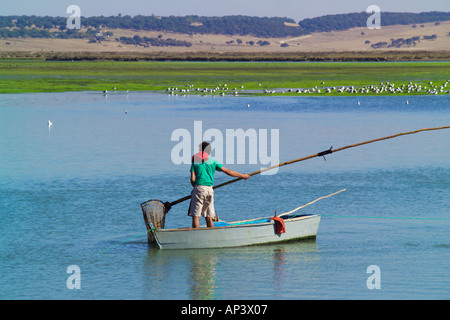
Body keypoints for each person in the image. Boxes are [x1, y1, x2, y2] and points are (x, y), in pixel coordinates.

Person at [189, 141, 250, 228]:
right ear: (209, 151)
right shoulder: (213, 162)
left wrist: (195, 188)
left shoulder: (195, 161)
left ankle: (195, 237)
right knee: (208, 216)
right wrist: (242, 176)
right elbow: (228, 171)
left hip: (199, 188)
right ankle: (211, 236)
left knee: (196, 216)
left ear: (200, 150)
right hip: (210, 190)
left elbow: (192, 179)